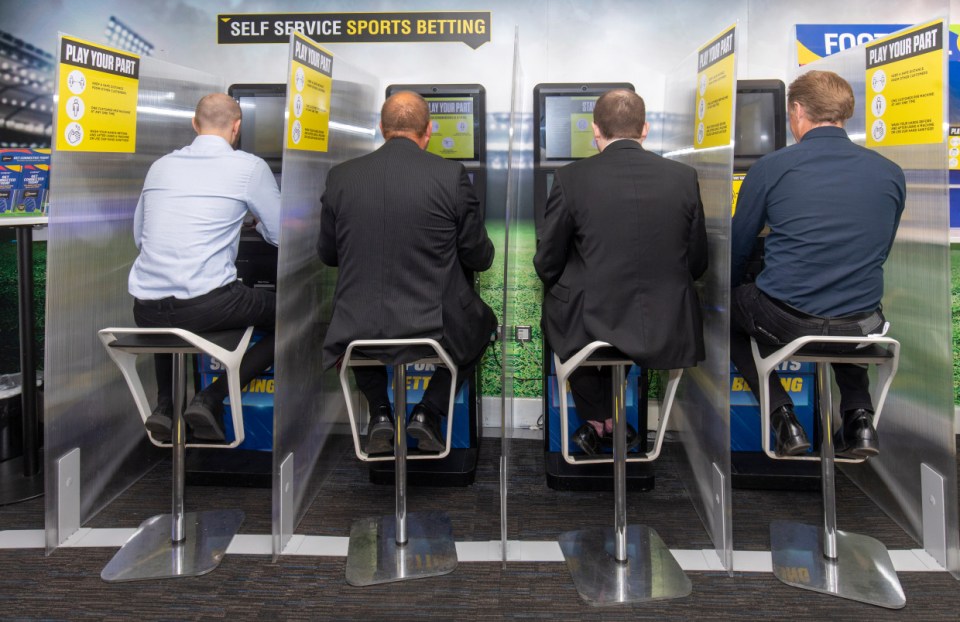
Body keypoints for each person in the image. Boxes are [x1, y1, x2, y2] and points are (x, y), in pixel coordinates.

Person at [729, 70, 906, 458]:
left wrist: (734, 286)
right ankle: (859, 416)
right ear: (845, 112)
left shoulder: (770, 168)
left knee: (726, 313)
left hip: (787, 322)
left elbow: (738, 249)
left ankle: (783, 418)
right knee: (847, 309)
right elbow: (878, 249)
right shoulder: (891, 173)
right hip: (862, 326)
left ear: (797, 111)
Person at [319, 91, 497, 454]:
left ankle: (380, 411)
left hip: (357, 327)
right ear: (428, 130)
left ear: (382, 129)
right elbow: (479, 257)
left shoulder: (341, 177)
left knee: (356, 319)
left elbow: (328, 254)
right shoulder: (450, 175)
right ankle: (428, 413)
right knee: (483, 324)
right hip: (429, 327)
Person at [534, 89, 708, 455]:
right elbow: (696, 262)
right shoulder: (683, 177)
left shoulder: (570, 178)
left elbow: (547, 262)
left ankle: (597, 420)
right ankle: (610, 421)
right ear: (645, 129)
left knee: (563, 309)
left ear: (595, 130)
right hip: (664, 325)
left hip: (592, 320)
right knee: (627, 327)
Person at [128, 92, 281, 442]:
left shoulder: (161, 166)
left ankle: (165, 407)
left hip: (145, 311)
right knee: (291, 318)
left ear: (195, 125)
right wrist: (252, 223)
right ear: (237, 127)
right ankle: (211, 398)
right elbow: (281, 235)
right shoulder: (249, 167)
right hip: (208, 308)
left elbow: (141, 236)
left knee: (168, 317)